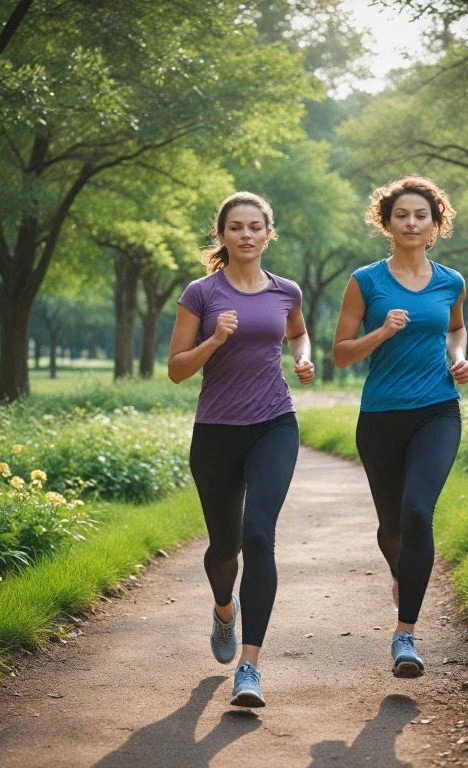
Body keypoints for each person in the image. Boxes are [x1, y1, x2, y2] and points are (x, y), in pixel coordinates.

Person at [168, 191, 315, 707]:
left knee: (259, 535)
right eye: (236, 227)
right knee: (223, 548)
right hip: (216, 431)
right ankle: (223, 609)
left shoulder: (286, 291)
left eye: (256, 226)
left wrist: (303, 358)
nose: (246, 234)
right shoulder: (201, 293)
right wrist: (213, 341)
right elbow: (177, 369)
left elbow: (298, 334)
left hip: (274, 423)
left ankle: (249, 668)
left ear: (268, 234)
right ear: (222, 235)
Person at [332, 175, 468, 678]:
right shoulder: (366, 281)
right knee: (392, 526)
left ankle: (405, 634)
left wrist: (460, 358)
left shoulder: (450, 281)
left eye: (421, 216)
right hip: (381, 418)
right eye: (401, 216)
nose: (411, 223)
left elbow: (454, 328)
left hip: (438, 410)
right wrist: (381, 332)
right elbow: (341, 353)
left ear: (436, 225)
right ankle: (401, 571)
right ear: (386, 224)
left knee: (417, 511)